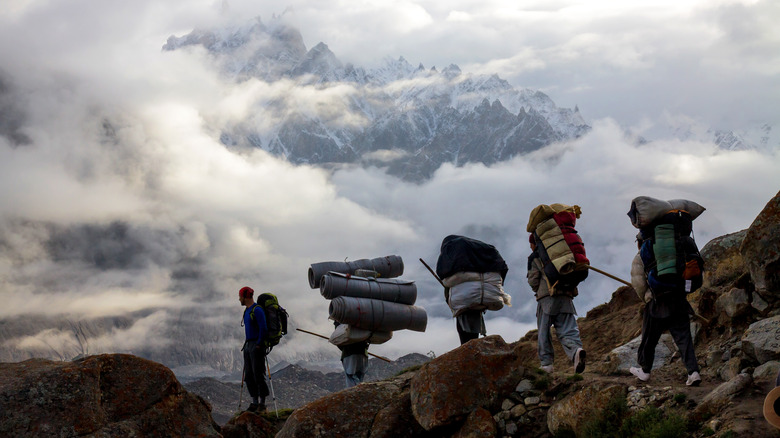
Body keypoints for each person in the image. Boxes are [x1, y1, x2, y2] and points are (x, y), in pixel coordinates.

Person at [629, 233, 702, 386]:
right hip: (679, 299)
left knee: (649, 339)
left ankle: (645, 371)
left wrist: (648, 297)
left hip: (657, 303)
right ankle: (693, 372)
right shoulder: (679, 246)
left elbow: (639, 283)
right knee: (684, 338)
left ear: (640, 241)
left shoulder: (643, 254)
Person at [528, 233, 586, 374]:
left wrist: (538, 290)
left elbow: (533, 280)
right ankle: (576, 352)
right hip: (566, 295)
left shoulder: (535, 256)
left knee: (544, 331)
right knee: (568, 329)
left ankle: (547, 364)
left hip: (547, 297)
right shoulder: (563, 252)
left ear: (534, 243)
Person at [238, 286, 270, 412]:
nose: (239, 299)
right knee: (249, 375)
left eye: (240, 296)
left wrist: (259, 344)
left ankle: (262, 403)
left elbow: (263, 328)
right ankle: (255, 402)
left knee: (258, 374)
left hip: (256, 345)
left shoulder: (257, 310)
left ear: (245, 296)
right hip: (248, 345)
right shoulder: (247, 310)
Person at [334, 322, 369, 388]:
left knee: (351, 377)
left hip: (349, 353)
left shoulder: (342, 322)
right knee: (359, 377)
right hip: (363, 354)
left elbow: (338, 340)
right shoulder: (362, 322)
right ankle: (360, 393)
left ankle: (356, 395)